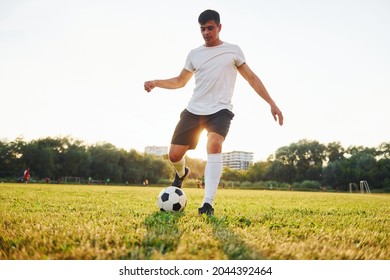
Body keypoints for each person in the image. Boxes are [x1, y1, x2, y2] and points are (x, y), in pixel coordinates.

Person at [144, 10, 283, 215]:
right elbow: (180, 81)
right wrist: (156, 82)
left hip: (220, 110)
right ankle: (181, 174)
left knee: (214, 144)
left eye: (210, 28)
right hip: (194, 110)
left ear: (219, 27)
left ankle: (207, 204)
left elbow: (252, 78)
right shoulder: (194, 54)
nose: (206, 32)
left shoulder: (233, 51)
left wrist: (271, 102)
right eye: (202, 29)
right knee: (173, 155)